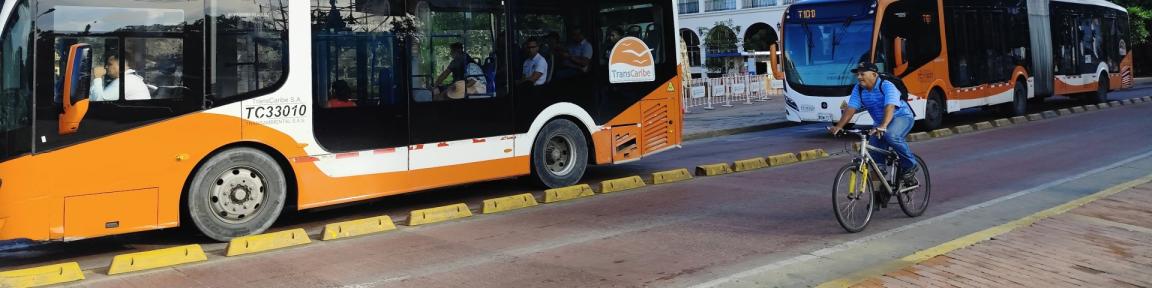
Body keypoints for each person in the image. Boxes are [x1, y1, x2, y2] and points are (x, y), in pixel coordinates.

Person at [828, 62, 918, 186]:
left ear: (874, 74)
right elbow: (851, 109)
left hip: (901, 117)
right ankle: (878, 195)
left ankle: (910, 165)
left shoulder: (886, 85)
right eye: (857, 74)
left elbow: (890, 106)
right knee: (875, 163)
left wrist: (883, 125)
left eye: (862, 74)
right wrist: (839, 126)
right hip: (880, 123)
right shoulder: (858, 89)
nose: (859, 77)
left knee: (891, 135)